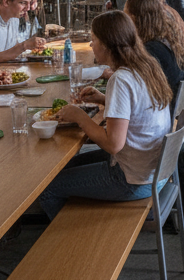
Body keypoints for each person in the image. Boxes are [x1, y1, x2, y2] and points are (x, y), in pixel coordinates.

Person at [38, 11, 173, 219]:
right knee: (63, 167)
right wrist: (103, 99)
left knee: (46, 187)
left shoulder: (120, 79)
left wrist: (79, 117)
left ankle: (73, 243)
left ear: (108, 44)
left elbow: (113, 145)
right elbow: (138, 108)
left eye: (94, 40)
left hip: (132, 180)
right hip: (155, 172)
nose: (91, 45)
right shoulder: (147, 65)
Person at [124, 0, 184, 111]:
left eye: (126, 14)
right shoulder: (164, 40)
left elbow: (137, 88)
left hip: (161, 110)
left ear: (134, 18)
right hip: (168, 106)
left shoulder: (150, 50)